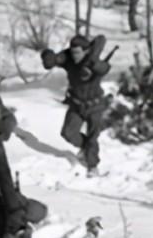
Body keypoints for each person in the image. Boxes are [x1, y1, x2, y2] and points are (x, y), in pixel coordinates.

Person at [41, 34, 111, 173]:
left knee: (92, 137)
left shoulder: (94, 61)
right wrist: (48, 56)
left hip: (95, 106)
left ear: (86, 51)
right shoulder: (69, 59)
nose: (74, 56)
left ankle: (92, 166)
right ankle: (86, 148)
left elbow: (104, 68)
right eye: (72, 52)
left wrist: (93, 64)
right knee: (68, 133)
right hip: (76, 104)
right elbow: (54, 60)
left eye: (77, 52)